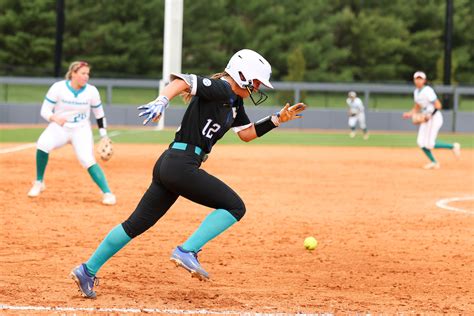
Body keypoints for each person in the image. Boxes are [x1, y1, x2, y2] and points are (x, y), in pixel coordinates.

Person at [70, 49, 307, 298]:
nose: (258, 88)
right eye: (257, 81)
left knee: (135, 224)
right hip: (181, 164)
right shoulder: (222, 88)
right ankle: (187, 250)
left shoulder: (234, 102)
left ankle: (87, 270)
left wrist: (277, 120)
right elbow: (182, 81)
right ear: (243, 75)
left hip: (171, 163)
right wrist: (162, 100)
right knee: (235, 207)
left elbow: (246, 134)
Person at [28, 61, 116, 205]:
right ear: (73, 73)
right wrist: (54, 118)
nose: (86, 76)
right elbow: (45, 110)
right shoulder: (58, 88)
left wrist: (103, 134)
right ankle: (39, 182)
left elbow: (99, 115)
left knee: (87, 159)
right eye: (83, 73)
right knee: (42, 144)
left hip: (81, 129)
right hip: (59, 127)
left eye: (88, 73)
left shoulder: (91, 91)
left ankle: (107, 193)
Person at [403, 71, 460, 169]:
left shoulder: (428, 90)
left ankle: (453, 146)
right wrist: (409, 113)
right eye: (417, 78)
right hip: (426, 118)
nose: (418, 80)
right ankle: (434, 162)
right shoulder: (416, 92)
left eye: (420, 78)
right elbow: (417, 107)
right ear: (414, 80)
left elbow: (438, 105)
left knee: (429, 143)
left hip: (434, 118)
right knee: (421, 142)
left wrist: (430, 115)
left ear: (424, 80)